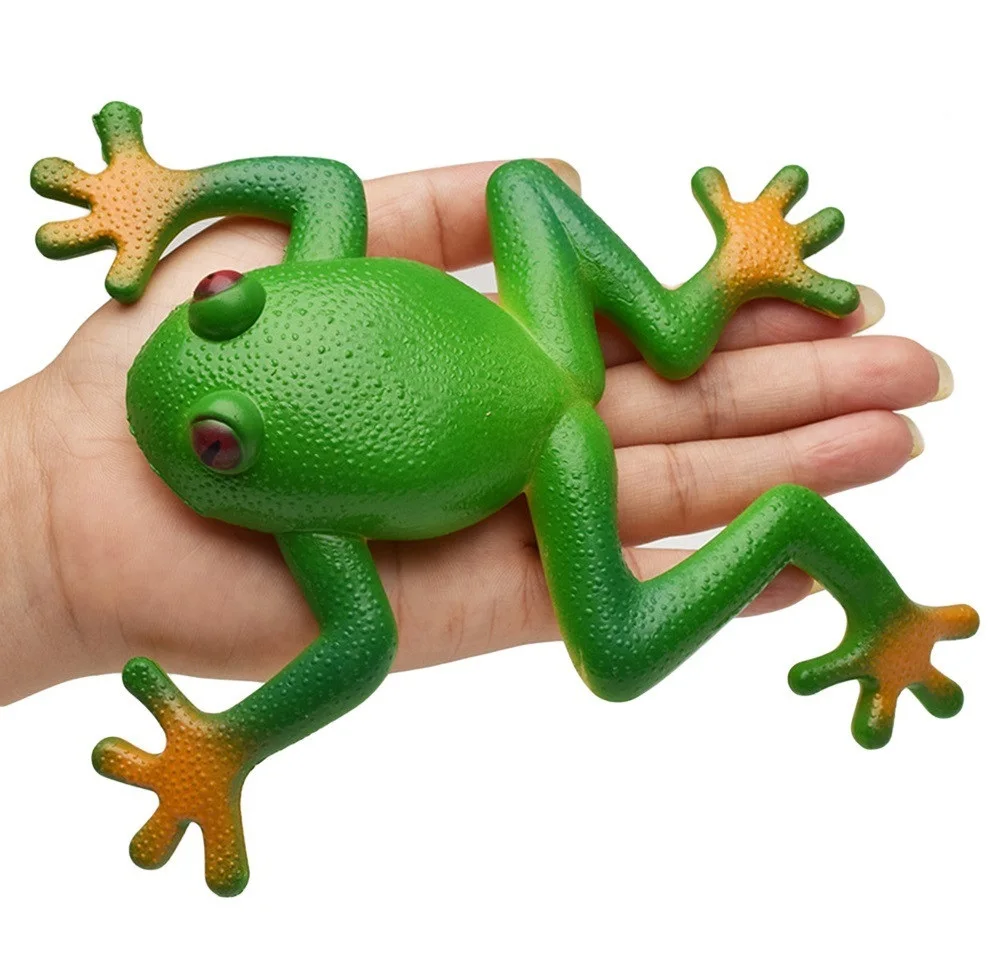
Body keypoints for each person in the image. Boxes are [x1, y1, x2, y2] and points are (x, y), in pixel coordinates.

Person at [0, 160, 949, 705]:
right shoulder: (311, 506)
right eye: (218, 443)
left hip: (551, 430)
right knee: (521, 187)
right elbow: (325, 187)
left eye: (218, 294)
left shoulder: (312, 527)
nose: (204, 298)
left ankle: (841, 566)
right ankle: (686, 327)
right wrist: (181, 194)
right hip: (547, 373)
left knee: (616, 658)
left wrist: (172, 192)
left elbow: (359, 644)